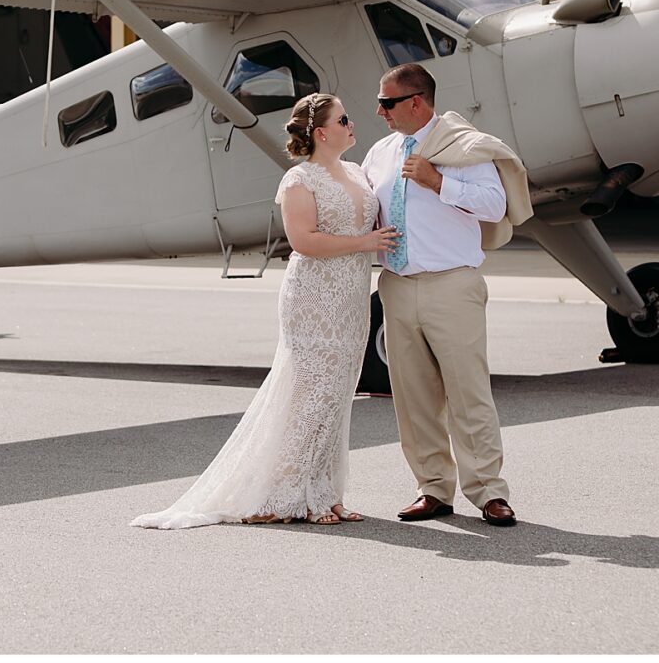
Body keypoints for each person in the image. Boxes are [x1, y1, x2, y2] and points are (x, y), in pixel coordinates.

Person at [131, 92, 396, 528]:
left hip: (350, 297)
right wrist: (365, 243)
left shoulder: (355, 171)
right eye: (344, 118)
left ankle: (324, 493)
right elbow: (304, 241)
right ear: (322, 132)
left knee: (336, 395)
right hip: (314, 297)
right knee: (309, 394)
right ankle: (284, 494)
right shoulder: (299, 181)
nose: (353, 123)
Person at [362, 62, 532, 528]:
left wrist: (438, 182)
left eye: (387, 102)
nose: (380, 111)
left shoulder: (465, 147)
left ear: (416, 101)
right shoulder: (379, 153)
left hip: (451, 284)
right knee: (413, 398)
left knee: (468, 393)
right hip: (396, 286)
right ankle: (432, 488)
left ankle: (489, 492)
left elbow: (496, 206)